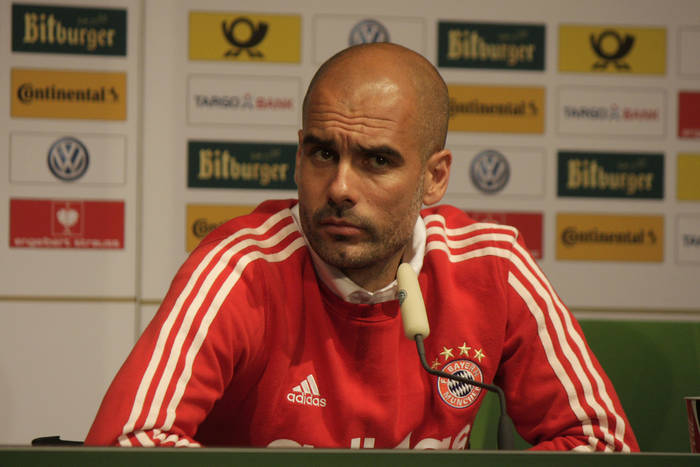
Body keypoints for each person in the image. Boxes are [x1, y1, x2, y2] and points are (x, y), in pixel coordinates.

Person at [85, 43, 639, 451]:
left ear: (434, 178)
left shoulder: (492, 267)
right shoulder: (241, 267)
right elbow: (127, 445)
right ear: (299, 156)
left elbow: (602, 442)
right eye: (323, 153)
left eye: (377, 160)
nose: (340, 188)